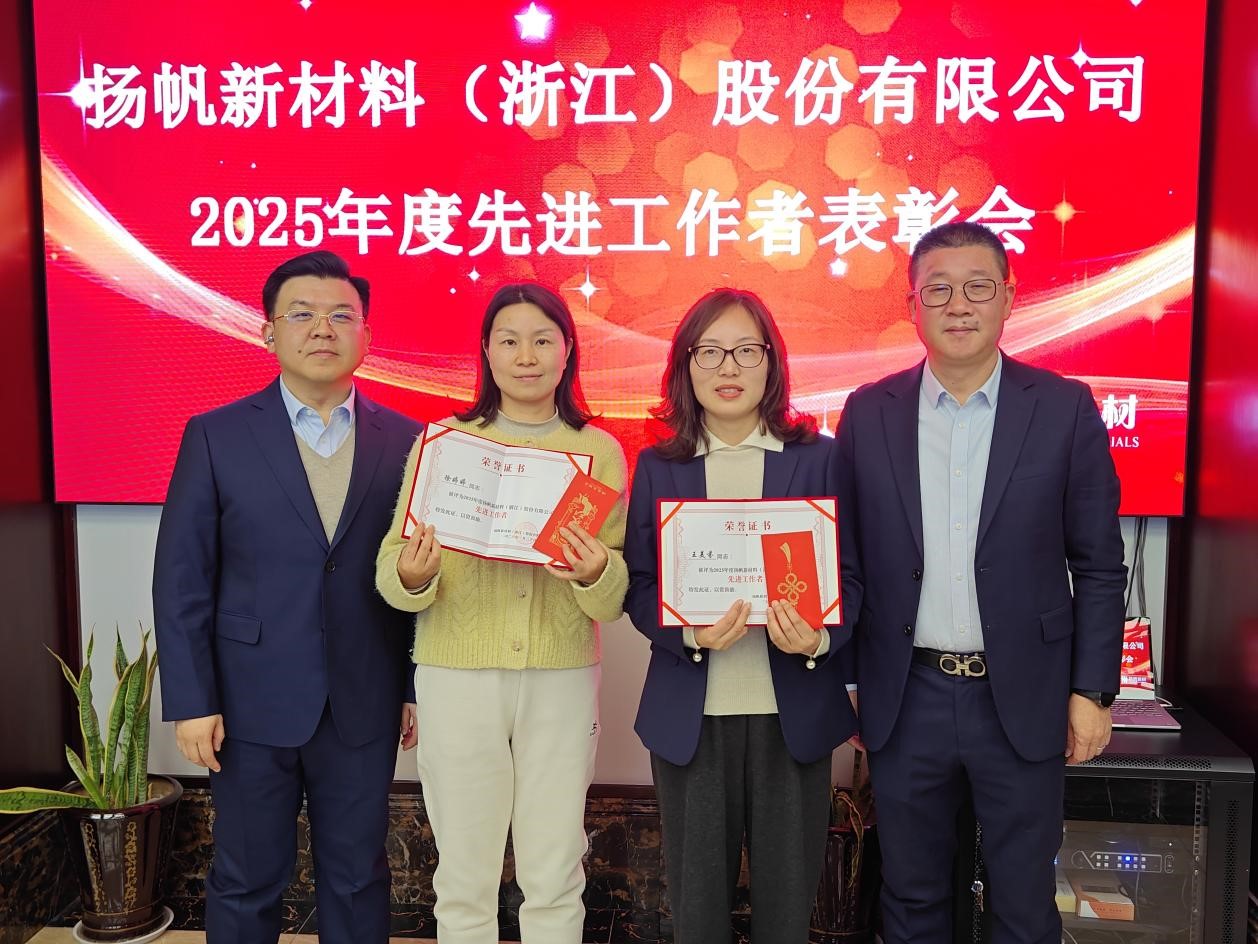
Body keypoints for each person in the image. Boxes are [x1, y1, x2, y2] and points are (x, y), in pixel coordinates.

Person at [831, 221, 1128, 943]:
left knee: (1024, 905)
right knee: (911, 899)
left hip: (1023, 695)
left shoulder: (1063, 409)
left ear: (1008, 298)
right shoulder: (869, 412)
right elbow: (845, 558)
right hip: (909, 695)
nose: (958, 305)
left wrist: (1092, 692)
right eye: (938, 290)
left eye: (977, 287)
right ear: (912, 306)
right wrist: (850, 680)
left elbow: (1098, 564)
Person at [153, 250, 421, 944]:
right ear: (268, 331)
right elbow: (182, 578)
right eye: (301, 314)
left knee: (358, 877)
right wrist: (192, 700)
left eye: (341, 316)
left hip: (364, 698)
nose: (322, 329)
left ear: (366, 335)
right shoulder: (215, 435)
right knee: (246, 878)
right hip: (247, 703)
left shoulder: (410, 441)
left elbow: (419, 577)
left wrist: (413, 686)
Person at [374, 283, 628, 944]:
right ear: (486, 351)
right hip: (456, 674)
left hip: (560, 675)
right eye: (509, 341)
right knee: (464, 870)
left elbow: (612, 596)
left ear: (568, 350)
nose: (526, 356)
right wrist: (414, 573)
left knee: (555, 865)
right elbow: (393, 569)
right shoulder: (444, 442)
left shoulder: (597, 450)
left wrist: (594, 569)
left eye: (543, 340)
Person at [624, 288, 857, 944]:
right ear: (685, 364)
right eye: (710, 352)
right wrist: (688, 631)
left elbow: (853, 576)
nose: (728, 368)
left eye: (746, 351)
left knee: (786, 917)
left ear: (771, 362)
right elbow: (639, 585)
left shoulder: (819, 458)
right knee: (698, 916)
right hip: (691, 719)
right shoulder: (659, 466)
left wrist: (820, 639)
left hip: (793, 716)